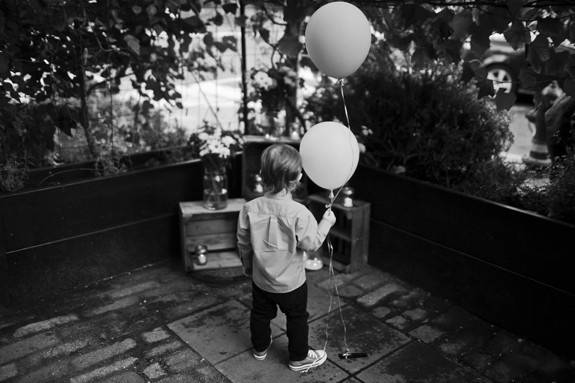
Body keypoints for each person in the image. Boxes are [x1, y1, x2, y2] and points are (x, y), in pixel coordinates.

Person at [236, 144, 336, 372]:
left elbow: (243, 243)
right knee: (297, 317)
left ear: (262, 174)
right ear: (297, 178)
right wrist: (326, 223)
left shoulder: (249, 208)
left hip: (261, 280)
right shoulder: (301, 213)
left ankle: (260, 348)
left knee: (260, 314)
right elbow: (311, 244)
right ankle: (299, 358)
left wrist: (248, 267)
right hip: (292, 284)